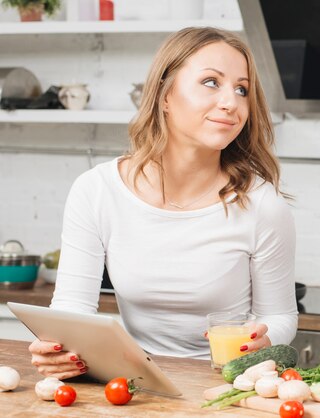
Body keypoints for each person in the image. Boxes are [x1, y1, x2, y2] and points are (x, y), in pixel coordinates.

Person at [29, 27, 298, 380]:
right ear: (164, 94)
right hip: (134, 381)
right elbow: (72, 308)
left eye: (241, 89)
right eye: (211, 82)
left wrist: (262, 341)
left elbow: (280, 317)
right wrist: (59, 348)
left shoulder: (263, 206)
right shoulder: (97, 191)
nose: (231, 102)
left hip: (227, 382)